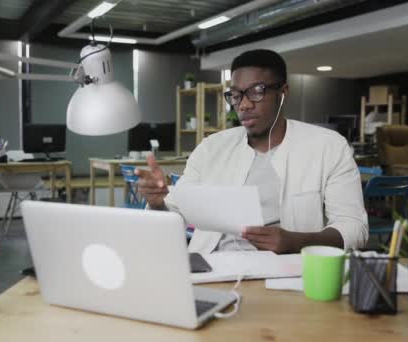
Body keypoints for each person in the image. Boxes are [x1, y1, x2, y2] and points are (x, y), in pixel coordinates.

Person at [135, 49, 368, 254]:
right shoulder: (211, 148)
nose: (244, 105)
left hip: (288, 274)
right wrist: (157, 203)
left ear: (283, 92)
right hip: (212, 268)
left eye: (257, 91)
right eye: (236, 95)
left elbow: (354, 228)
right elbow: (175, 215)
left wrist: (295, 242)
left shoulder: (328, 147)